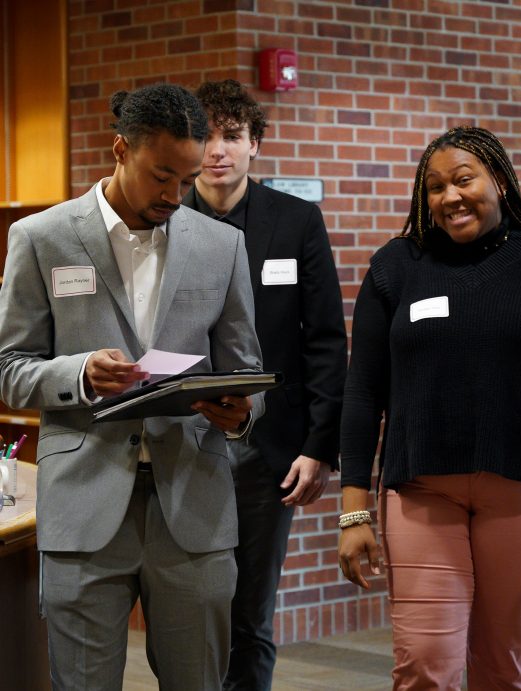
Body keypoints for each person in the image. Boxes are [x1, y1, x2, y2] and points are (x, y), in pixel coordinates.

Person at [336, 126, 521, 690]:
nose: (449, 196)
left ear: (499, 181)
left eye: (462, 179)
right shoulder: (395, 268)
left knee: (504, 662)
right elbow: (363, 391)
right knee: (424, 661)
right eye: (433, 187)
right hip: (422, 488)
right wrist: (354, 507)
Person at [0, 84, 264, 690]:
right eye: (161, 176)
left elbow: (246, 364)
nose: (175, 195)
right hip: (83, 509)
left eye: (188, 179)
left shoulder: (221, 245)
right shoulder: (42, 238)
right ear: (121, 150)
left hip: (194, 507)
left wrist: (242, 412)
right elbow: (9, 368)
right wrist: (78, 373)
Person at [182, 79, 348, 690]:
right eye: (206, 136)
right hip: (180, 442)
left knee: (251, 612)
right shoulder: (165, 218)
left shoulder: (296, 222)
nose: (216, 150)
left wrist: (319, 447)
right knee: (192, 609)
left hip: (269, 447)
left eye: (231, 136)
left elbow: (326, 340)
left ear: (256, 144)